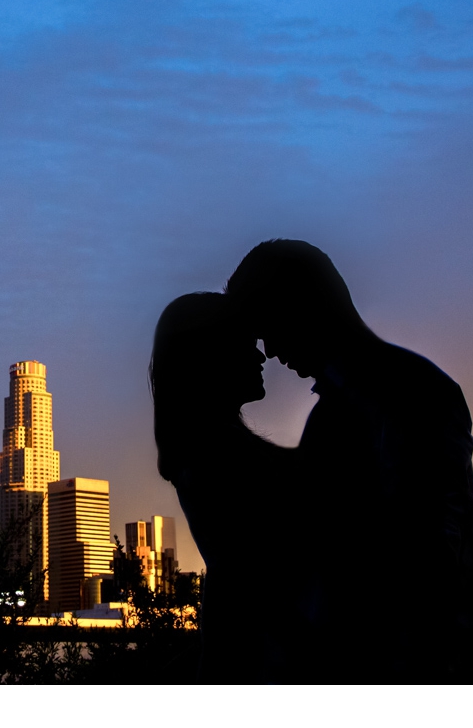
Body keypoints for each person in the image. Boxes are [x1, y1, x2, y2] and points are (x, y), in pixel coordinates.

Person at [225, 239, 473, 680]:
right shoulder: (336, 413)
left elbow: (426, 557)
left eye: (266, 324)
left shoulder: (408, 393)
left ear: (302, 303)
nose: (269, 350)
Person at [150, 292, 302, 682]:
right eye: (246, 345)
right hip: (257, 652)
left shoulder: (203, 447)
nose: (262, 356)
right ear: (211, 357)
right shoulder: (219, 451)